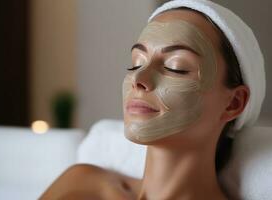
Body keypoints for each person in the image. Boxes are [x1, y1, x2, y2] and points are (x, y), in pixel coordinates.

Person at [40, 0, 265, 199]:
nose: (139, 78)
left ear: (233, 103)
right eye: (136, 63)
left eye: (175, 67)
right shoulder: (81, 185)